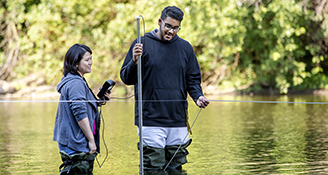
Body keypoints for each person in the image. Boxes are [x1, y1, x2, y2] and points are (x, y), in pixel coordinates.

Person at [120, 6, 210, 173]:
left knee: (176, 169)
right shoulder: (142, 44)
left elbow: (193, 80)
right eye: (168, 26)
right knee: (153, 169)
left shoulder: (185, 48)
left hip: (178, 120)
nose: (171, 31)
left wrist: (198, 97)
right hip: (150, 120)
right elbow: (126, 78)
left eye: (176, 28)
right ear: (160, 22)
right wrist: (133, 61)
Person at [53, 44, 110, 174]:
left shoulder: (78, 80)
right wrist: (91, 140)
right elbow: (79, 113)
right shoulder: (76, 83)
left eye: (91, 59)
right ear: (76, 63)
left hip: (74, 141)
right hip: (75, 143)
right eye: (87, 59)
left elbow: (82, 105)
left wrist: (98, 102)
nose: (91, 62)